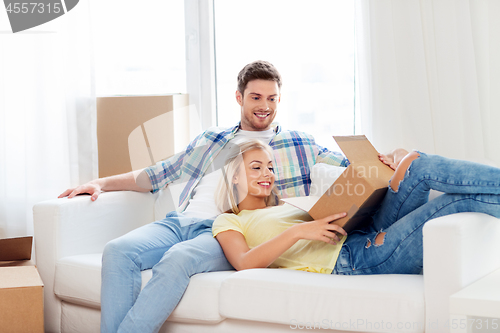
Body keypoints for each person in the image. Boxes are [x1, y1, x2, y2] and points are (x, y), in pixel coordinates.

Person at [58, 60, 349, 333]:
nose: (264, 106)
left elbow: (349, 164)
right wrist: (100, 183)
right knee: (118, 251)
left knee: (179, 258)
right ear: (239, 97)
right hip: (179, 222)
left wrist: (393, 158)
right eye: (256, 97)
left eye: (272, 98)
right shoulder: (211, 139)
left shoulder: (298, 143)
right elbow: (158, 173)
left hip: (226, 232)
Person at [212, 139, 500, 275]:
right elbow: (244, 262)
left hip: (365, 227)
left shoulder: (288, 200)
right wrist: (299, 232)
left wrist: (390, 164)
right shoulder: (229, 222)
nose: (267, 174)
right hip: (354, 257)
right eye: (256, 167)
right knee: (459, 201)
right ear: (234, 175)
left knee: (415, 163)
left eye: (270, 167)